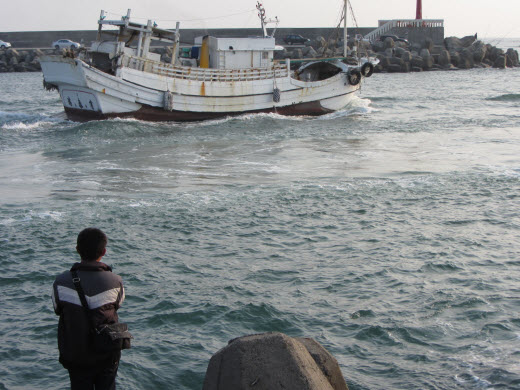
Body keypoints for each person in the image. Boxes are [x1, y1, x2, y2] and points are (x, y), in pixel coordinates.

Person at [52, 228, 126, 390]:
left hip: (76, 354)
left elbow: (57, 309)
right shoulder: (115, 281)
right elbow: (117, 305)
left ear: (77, 249)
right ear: (104, 251)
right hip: (107, 351)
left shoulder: (61, 281)